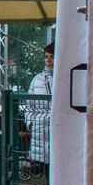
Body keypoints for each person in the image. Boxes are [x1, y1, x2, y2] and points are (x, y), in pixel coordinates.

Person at [23, 41, 54, 169]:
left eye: (52, 56)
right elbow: (29, 106)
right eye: (46, 56)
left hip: (56, 132)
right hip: (39, 133)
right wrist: (31, 123)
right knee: (46, 173)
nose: (48, 60)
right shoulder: (37, 80)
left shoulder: (65, 78)